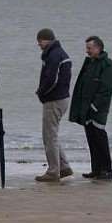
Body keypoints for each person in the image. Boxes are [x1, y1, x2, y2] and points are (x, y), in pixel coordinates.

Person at [69, 36, 112, 180]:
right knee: (91, 138)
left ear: (98, 48)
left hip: (98, 110)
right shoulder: (90, 63)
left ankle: (107, 170)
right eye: (87, 48)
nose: (87, 51)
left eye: (89, 48)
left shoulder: (108, 65)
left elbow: (106, 89)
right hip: (86, 109)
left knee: (100, 138)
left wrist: (94, 106)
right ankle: (96, 169)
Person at [34, 29, 73, 182]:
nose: (38, 44)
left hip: (54, 99)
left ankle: (53, 171)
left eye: (40, 41)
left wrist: (41, 93)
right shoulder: (58, 53)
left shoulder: (54, 55)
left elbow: (52, 79)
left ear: (47, 40)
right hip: (61, 98)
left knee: (49, 136)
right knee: (53, 135)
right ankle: (63, 167)